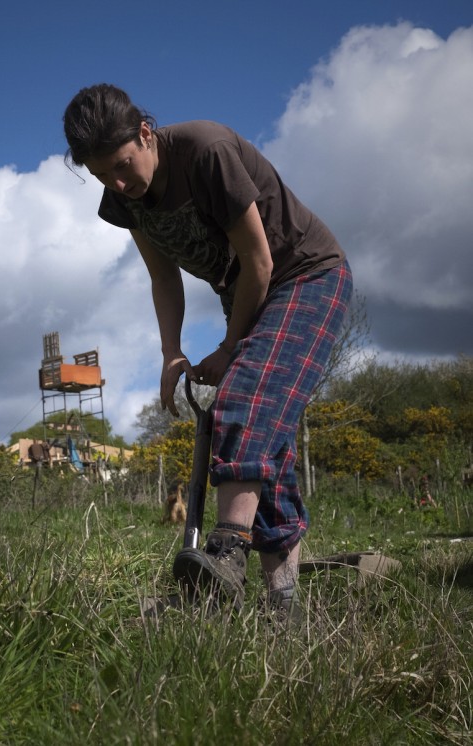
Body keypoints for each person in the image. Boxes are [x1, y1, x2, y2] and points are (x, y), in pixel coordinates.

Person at [63, 84, 352, 617]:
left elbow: (259, 261)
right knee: (268, 452)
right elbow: (163, 277)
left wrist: (229, 346)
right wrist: (171, 351)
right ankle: (283, 607)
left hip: (306, 277)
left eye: (123, 165)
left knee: (243, 403)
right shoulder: (124, 198)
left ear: (145, 133)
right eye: (103, 175)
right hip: (247, 295)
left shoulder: (206, 151)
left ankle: (224, 556)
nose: (118, 183)